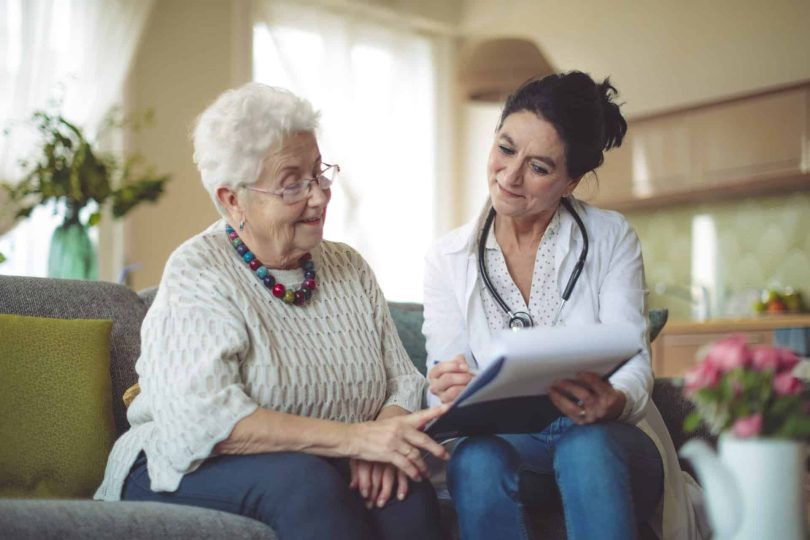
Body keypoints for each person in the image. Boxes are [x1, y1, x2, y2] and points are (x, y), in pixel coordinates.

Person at [94, 82, 449, 540]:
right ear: (232, 199)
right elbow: (208, 419)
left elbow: (402, 379)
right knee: (304, 482)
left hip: (321, 459)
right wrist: (352, 439)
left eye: (319, 174)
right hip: (180, 462)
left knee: (402, 485)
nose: (319, 196)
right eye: (293, 184)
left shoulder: (349, 267)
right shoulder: (200, 271)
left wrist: (380, 439)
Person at [424, 72, 706, 539]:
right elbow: (443, 373)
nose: (510, 176)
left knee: (584, 448)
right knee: (474, 458)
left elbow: (634, 359)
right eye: (505, 148)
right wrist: (446, 388)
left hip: (610, 439)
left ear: (571, 181)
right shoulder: (447, 257)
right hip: (517, 441)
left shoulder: (611, 237)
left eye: (539, 167)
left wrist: (613, 400)